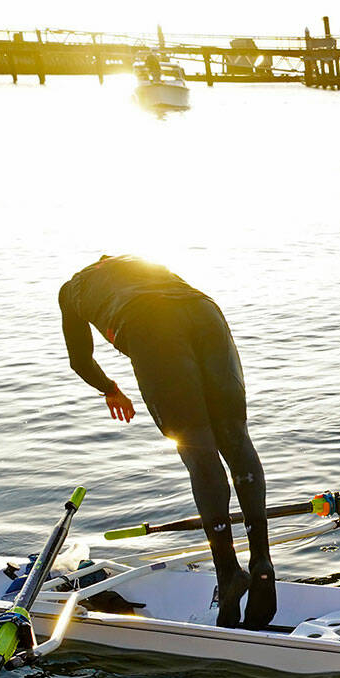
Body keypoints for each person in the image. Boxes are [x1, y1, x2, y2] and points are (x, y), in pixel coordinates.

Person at [58, 255, 274, 628]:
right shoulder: (139, 263)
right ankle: (261, 558)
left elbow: (80, 359)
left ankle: (228, 572)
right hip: (205, 311)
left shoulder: (72, 290)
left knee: (198, 452)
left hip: (149, 324)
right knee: (236, 439)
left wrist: (109, 389)